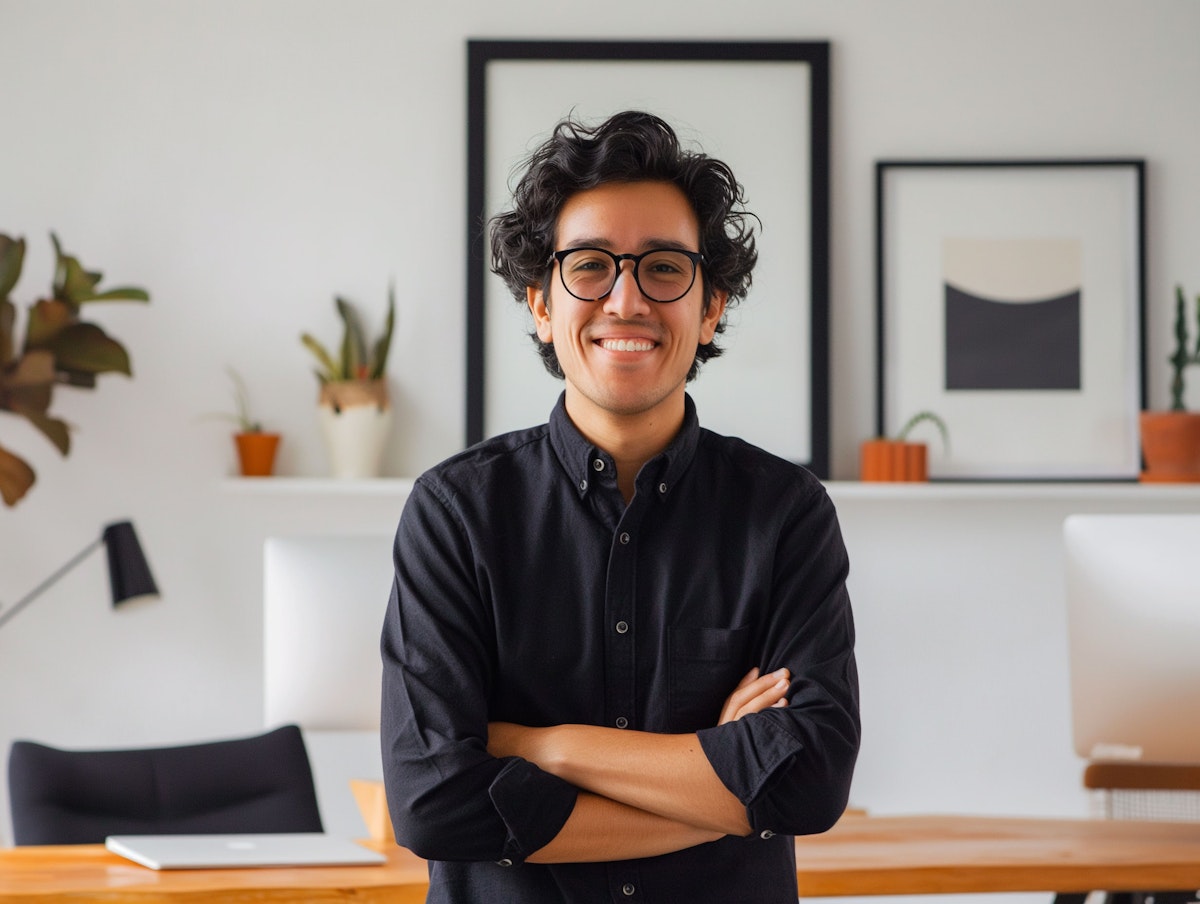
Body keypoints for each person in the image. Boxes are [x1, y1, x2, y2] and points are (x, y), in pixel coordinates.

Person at [380, 110, 859, 904]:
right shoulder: (455, 511)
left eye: (665, 268)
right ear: (540, 302)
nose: (627, 299)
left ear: (711, 308)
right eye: (591, 265)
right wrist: (728, 789)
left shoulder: (786, 513)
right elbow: (434, 803)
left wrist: (547, 747)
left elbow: (808, 782)